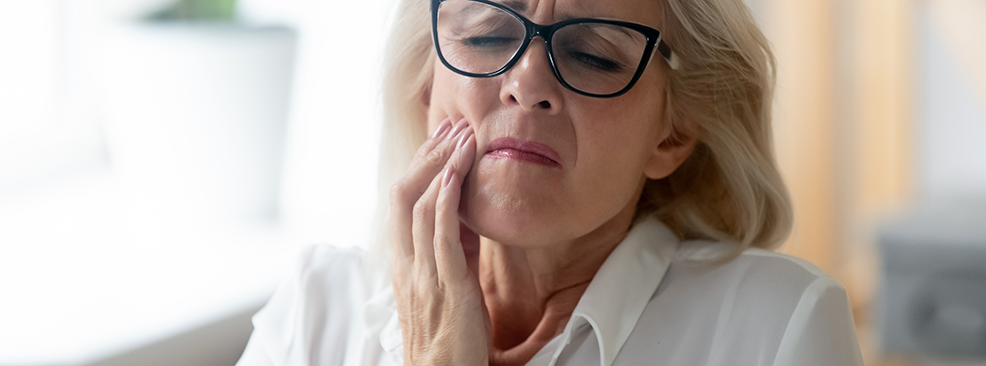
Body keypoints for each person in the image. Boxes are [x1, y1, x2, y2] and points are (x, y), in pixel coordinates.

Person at [236, 0, 865, 364]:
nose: (528, 82)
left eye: (593, 55)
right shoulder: (318, 307)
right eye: (486, 35)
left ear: (671, 135)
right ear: (428, 85)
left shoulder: (776, 327)